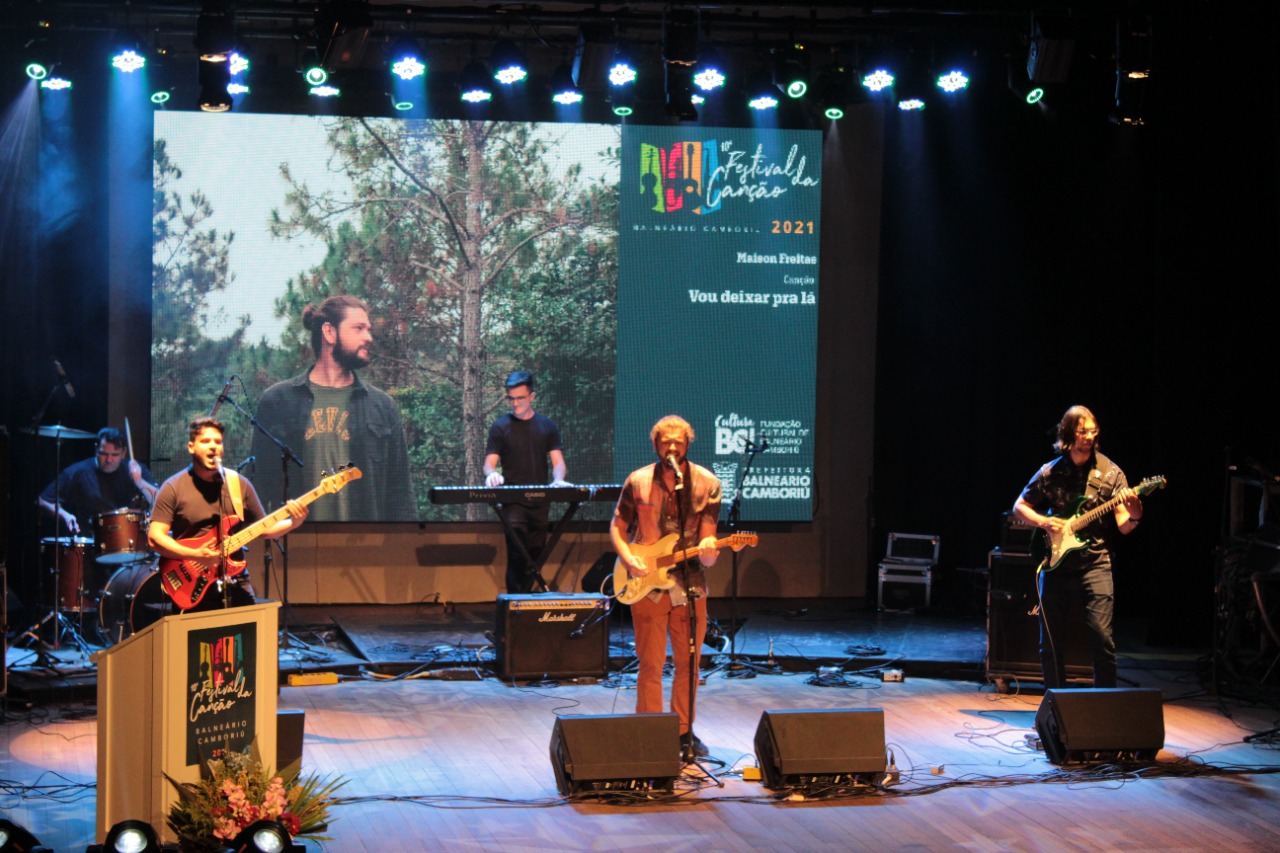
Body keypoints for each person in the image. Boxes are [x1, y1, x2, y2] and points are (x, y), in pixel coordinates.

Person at [611, 415, 722, 759]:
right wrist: (629, 558)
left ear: (688, 443)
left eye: (678, 441)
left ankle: (683, 732)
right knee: (651, 663)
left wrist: (709, 551)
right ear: (655, 444)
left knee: (689, 663)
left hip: (690, 584)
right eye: (665, 441)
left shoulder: (707, 483)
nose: (671, 446)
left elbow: (708, 538)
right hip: (648, 584)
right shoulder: (638, 481)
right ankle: (648, 731)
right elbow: (617, 526)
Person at [1011, 405, 1144, 689]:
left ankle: (1105, 706)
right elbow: (1019, 506)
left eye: (1092, 431)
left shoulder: (1111, 474)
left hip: (1096, 563)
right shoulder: (1051, 471)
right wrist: (1044, 523)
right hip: (1056, 565)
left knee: (1102, 638)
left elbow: (1124, 525)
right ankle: (1055, 706)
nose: (1088, 437)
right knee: (1049, 641)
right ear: (1068, 434)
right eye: (1082, 431)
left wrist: (1135, 512)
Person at [251, 294, 417, 522]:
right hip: (296, 547)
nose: (368, 337)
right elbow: (258, 486)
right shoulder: (277, 401)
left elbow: (401, 493)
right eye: (358, 328)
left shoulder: (382, 406)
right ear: (329, 332)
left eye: (368, 329)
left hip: (365, 547)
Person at [149, 417, 307, 604]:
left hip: (235, 578)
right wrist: (194, 555)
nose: (213, 447)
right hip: (191, 581)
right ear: (191, 447)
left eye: (218, 441)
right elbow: (155, 538)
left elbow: (263, 529)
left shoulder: (238, 484)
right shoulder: (173, 487)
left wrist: (293, 522)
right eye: (206, 441)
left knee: (247, 630)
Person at [483, 370, 569, 593]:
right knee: (517, 553)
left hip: (540, 502)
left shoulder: (547, 426)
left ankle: (528, 603)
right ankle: (515, 607)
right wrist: (491, 474)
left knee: (535, 553)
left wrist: (558, 480)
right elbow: (489, 464)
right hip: (513, 501)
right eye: (511, 398)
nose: (515, 403)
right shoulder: (500, 427)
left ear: (532, 396)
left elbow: (558, 462)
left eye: (520, 398)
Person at [37, 427, 158, 536]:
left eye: (115, 455)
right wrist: (65, 516)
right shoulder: (78, 472)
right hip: (92, 544)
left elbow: (159, 501)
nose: (109, 459)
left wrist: (140, 481)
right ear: (96, 450)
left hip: (130, 542)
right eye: (104, 454)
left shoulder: (135, 469)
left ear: (123, 453)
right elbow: (42, 500)